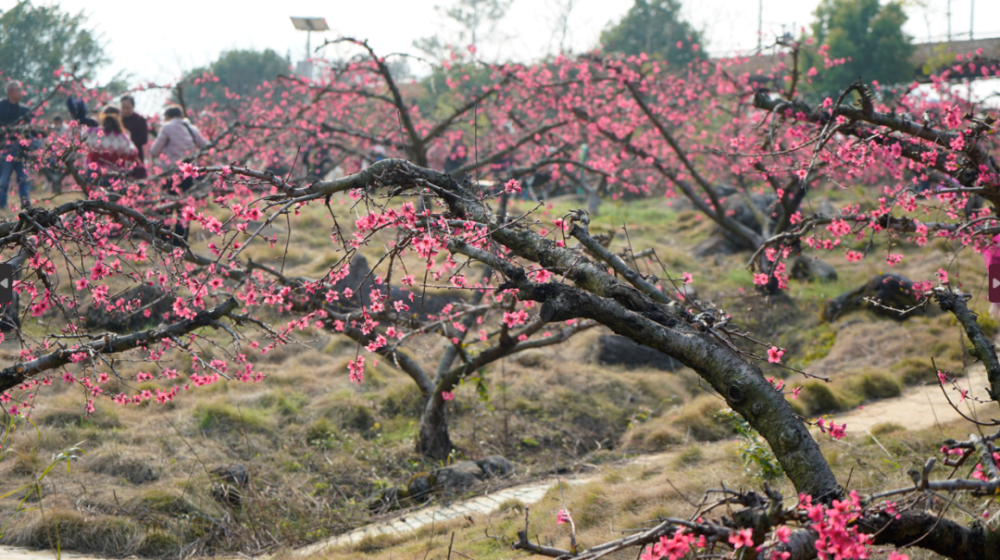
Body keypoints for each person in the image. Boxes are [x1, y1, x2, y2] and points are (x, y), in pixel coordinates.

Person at [149, 106, 208, 245]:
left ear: (168, 116)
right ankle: (181, 241)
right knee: (185, 206)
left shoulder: (167, 127)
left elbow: (154, 151)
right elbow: (205, 146)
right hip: (188, 172)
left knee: (166, 204)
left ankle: (164, 238)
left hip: (171, 173)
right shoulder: (192, 129)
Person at [0, 81, 35, 212]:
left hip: (21, 150)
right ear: (9, 92)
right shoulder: (1, 107)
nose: (21, 92)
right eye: (17, 90)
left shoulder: (25, 110)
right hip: (5, 149)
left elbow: (29, 132)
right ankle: (1, 207)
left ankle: (27, 207)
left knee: (24, 179)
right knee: (3, 179)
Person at [82, 106, 138, 178]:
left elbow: (79, 143)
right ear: (119, 118)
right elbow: (132, 154)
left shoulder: (91, 132)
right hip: (115, 176)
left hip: (93, 174)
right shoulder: (122, 137)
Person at [120, 95, 149, 178]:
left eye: (128, 108)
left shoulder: (140, 120)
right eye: (123, 108)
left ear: (133, 106)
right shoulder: (119, 120)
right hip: (121, 155)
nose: (125, 110)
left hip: (136, 155)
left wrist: (127, 141)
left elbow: (143, 139)